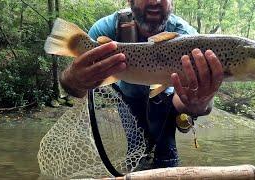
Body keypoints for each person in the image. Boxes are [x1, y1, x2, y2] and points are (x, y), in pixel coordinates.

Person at [60, 0, 223, 168]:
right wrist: (73, 79)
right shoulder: (107, 28)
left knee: (167, 155)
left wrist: (197, 104)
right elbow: (75, 90)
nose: (155, 1)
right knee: (136, 153)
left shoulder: (188, 37)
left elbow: (185, 102)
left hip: (167, 102)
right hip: (128, 101)